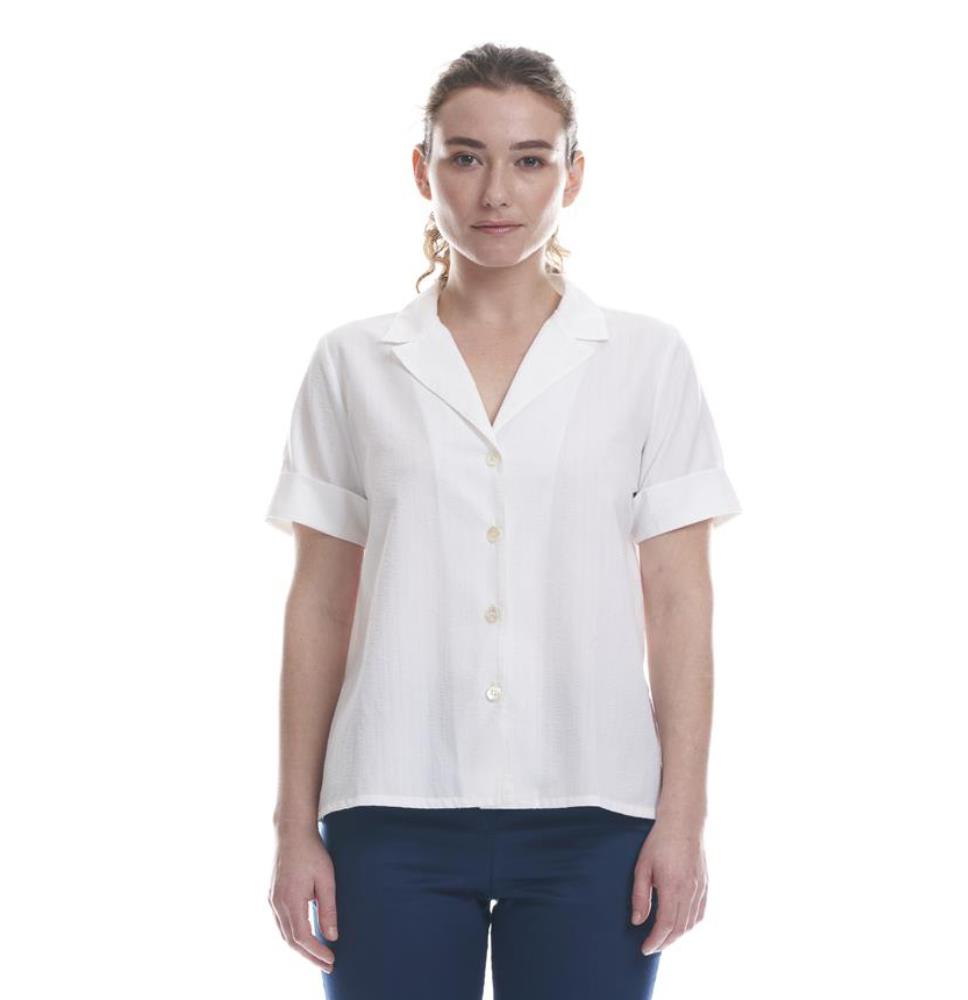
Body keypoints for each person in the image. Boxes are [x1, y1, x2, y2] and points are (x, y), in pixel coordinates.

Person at [264, 43, 741, 1000]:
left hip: (598, 806)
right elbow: (319, 604)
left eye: (529, 159)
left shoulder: (646, 360)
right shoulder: (352, 364)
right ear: (422, 169)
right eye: (465, 156)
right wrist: (293, 826)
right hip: (391, 801)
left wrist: (683, 817)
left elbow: (679, 600)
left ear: (573, 174)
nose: (496, 191)